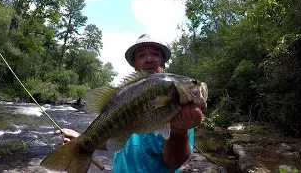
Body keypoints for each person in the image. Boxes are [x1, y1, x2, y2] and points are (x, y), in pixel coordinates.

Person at [57, 34, 207, 172]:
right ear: (134, 65)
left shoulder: (182, 109)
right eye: (141, 55)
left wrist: (179, 132)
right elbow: (112, 141)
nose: (149, 59)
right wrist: (83, 141)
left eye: (156, 54)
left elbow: (174, 163)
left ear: (164, 63)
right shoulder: (123, 95)